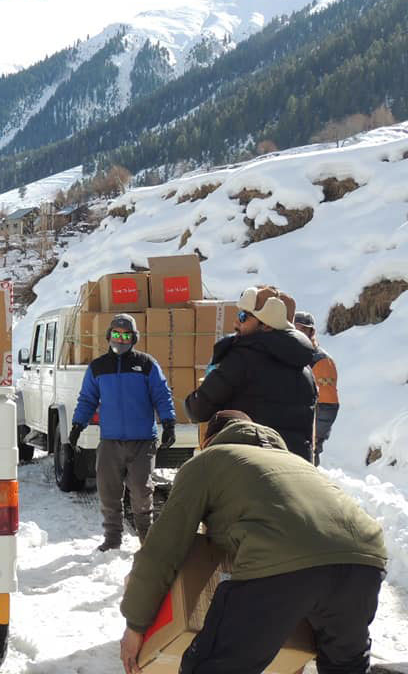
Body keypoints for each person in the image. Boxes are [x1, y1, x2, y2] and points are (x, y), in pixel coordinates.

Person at [119, 410, 387, 674]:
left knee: (214, 665)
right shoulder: (296, 462)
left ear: (208, 441)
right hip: (365, 561)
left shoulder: (210, 460)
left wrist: (135, 625)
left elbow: (164, 548)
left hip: (283, 559)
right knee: (346, 666)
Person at [69, 314, 175, 551]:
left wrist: (169, 423)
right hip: (110, 442)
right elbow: (87, 399)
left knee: (140, 491)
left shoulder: (146, 364)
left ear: (134, 338)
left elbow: (162, 394)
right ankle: (112, 539)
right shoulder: (98, 367)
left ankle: (146, 540)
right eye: (116, 334)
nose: (120, 339)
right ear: (109, 336)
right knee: (109, 492)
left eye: (126, 335)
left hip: (142, 442)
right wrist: (77, 425)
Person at [185, 285, 317, 462]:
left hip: (250, 469)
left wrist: (209, 380)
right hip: (295, 470)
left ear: (266, 326)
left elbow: (197, 409)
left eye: (243, 317)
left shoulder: (241, 360)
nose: (235, 323)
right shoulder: (305, 369)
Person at [294, 310, 339, 466]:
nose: (298, 332)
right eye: (295, 328)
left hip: (307, 438)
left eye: (303, 329)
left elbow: (328, 406)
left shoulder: (322, 362)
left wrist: (314, 437)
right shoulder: (289, 355)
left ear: (311, 332)